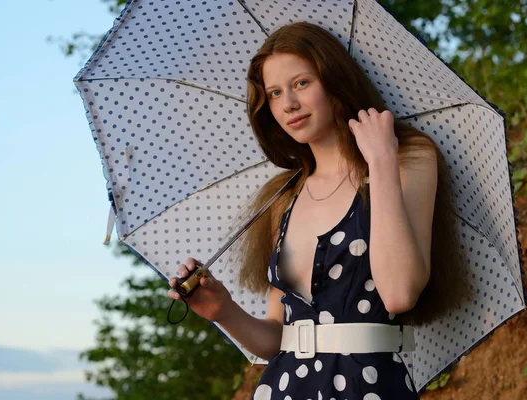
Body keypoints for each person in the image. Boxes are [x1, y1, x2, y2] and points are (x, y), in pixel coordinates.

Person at [167, 21, 470, 399]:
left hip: (369, 387)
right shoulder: (283, 197)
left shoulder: (408, 158)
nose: (288, 103)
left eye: (301, 83)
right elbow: (276, 337)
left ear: (334, 79)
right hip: (285, 388)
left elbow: (399, 294)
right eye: (275, 93)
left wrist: (379, 161)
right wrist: (223, 311)